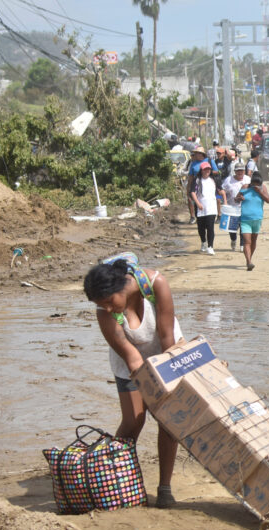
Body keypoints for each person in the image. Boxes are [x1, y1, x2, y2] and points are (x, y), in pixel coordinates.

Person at [83, 256, 186, 508]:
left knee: (168, 421)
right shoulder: (104, 312)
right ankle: (116, 481)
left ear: (121, 289)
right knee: (134, 420)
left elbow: (166, 336)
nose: (107, 309)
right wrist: (150, 389)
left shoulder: (155, 284)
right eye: (101, 305)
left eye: (109, 302)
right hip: (129, 361)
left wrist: (167, 385)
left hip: (165, 351)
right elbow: (132, 358)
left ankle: (164, 489)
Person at [236, 171, 269, 271]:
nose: (255, 186)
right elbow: (236, 199)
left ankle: (249, 259)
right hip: (245, 219)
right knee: (247, 241)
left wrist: (260, 192)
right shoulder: (245, 187)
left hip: (257, 219)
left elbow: (268, 200)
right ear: (251, 182)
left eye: (258, 184)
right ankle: (248, 262)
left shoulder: (263, 188)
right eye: (254, 184)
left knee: (253, 241)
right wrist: (239, 198)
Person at [191, 161, 221, 255]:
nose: (207, 171)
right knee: (201, 228)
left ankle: (210, 246)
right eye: (205, 169)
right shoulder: (197, 180)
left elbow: (219, 190)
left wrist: (223, 196)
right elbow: (193, 192)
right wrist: (198, 203)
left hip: (211, 208)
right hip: (201, 208)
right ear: (201, 170)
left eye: (208, 169)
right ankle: (203, 242)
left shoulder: (214, 179)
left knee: (210, 227)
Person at [185, 146, 219, 225]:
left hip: (208, 183)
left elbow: (216, 171)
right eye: (195, 154)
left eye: (197, 153)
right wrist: (188, 188)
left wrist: (205, 172)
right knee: (192, 199)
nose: (196, 155)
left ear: (202, 154)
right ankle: (193, 216)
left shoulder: (209, 161)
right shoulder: (193, 163)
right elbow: (191, 176)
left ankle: (212, 215)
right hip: (196, 184)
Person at [222, 162, 250, 252]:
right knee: (232, 229)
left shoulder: (248, 179)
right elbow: (222, 191)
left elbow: (253, 192)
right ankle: (233, 240)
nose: (240, 172)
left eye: (241, 170)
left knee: (243, 226)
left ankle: (242, 244)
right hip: (232, 208)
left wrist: (246, 198)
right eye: (238, 171)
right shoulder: (228, 180)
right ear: (235, 171)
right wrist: (225, 201)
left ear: (244, 171)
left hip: (244, 208)